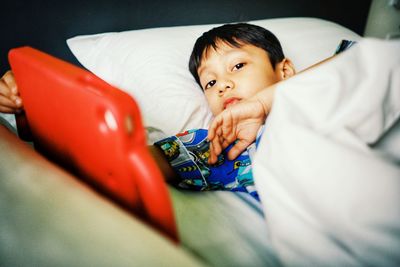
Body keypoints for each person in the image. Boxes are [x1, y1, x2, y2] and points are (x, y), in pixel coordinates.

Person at [0, 23, 344, 200]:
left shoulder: (330, 86)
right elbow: (118, 161)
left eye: (237, 66)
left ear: (284, 71)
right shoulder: (219, 144)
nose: (222, 85)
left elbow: (368, 61)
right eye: (209, 83)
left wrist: (267, 102)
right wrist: (32, 107)